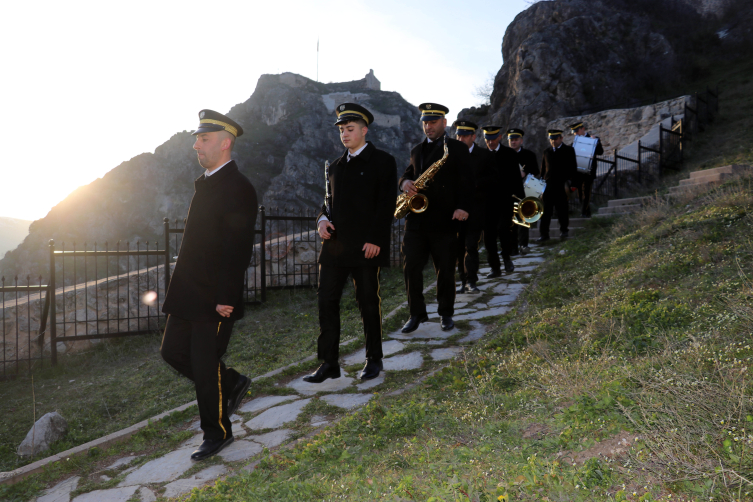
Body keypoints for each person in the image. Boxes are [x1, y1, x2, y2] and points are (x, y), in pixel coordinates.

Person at [161, 109, 258, 461]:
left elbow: (238, 248)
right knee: (171, 352)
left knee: (204, 364)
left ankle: (217, 432)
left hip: (214, 296)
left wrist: (226, 297)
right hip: (188, 291)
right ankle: (230, 383)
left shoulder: (239, 188)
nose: (196, 146)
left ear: (225, 143)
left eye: (203, 140)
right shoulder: (206, 182)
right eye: (197, 140)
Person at [304, 103, 397, 384]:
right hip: (334, 248)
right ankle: (329, 363)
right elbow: (327, 203)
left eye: (350, 129)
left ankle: (374, 359)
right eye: (342, 130)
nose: (345, 134)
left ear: (364, 130)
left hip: (366, 247)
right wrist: (321, 220)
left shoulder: (383, 161)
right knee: (326, 302)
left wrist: (376, 240)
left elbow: (386, 205)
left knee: (368, 302)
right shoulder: (334, 166)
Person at [399, 103, 473, 333]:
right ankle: (416, 314)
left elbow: (469, 182)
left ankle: (446, 313)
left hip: (444, 219)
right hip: (416, 220)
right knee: (411, 267)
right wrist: (404, 183)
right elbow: (408, 173)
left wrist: (462, 207)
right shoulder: (416, 150)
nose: (428, 126)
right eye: (425, 122)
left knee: (445, 270)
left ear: (444, 123)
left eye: (432, 122)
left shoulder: (457, 149)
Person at [453, 120, 493, 294]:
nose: (460, 138)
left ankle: (472, 281)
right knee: (458, 248)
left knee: (471, 246)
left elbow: (493, 179)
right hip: (455, 210)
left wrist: (474, 184)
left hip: (475, 209)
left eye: (464, 136)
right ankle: (462, 281)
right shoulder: (451, 155)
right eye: (458, 135)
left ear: (473, 137)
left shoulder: (484, 155)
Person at [481, 126, 523, 275]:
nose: (490, 142)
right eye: (488, 139)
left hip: (505, 200)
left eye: (493, 139)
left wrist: (520, 199)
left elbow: (517, 179)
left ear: (499, 137)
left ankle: (507, 259)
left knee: (504, 230)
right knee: (489, 236)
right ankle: (495, 267)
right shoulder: (482, 155)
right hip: (487, 202)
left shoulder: (509, 154)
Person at [537, 129, 577, 242]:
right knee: (545, 212)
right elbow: (543, 169)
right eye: (551, 139)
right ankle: (544, 234)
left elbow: (573, 168)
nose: (553, 141)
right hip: (548, 185)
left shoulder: (568, 150)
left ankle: (564, 231)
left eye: (555, 139)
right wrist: (541, 183)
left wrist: (573, 184)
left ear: (561, 138)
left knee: (562, 210)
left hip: (561, 184)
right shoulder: (547, 151)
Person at [507, 128, 539, 254]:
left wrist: (525, 172)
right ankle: (513, 247)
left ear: (521, 140)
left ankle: (523, 245)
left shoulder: (529, 155)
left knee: (524, 218)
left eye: (515, 140)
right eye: (511, 140)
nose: (513, 142)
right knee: (511, 220)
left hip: (525, 190)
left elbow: (536, 170)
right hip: (509, 191)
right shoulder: (504, 154)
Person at [570, 121, 604, 217]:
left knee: (587, 190)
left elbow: (600, 152)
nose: (575, 134)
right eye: (574, 132)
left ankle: (583, 212)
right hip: (579, 170)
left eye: (577, 131)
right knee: (580, 193)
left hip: (589, 169)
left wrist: (594, 143)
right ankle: (587, 211)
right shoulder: (574, 142)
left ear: (582, 129)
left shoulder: (594, 139)